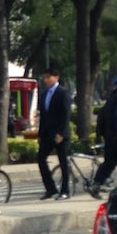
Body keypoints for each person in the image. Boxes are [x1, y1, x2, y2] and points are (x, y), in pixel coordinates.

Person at [37, 67, 72, 200]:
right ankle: (51, 189)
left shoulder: (63, 92)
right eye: (45, 77)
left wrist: (61, 133)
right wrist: (40, 134)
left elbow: (66, 114)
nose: (46, 80)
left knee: (63, 162)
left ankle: (65, 190)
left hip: (60, 134)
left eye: (48, 77)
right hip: (47, 134)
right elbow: (43, 116)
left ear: (56, 77)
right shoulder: (45, 94)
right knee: (40, 159)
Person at [89, 75, 117, 198]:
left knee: (109, 163)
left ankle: (96, 184)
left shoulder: (110, 99)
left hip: (110, 138)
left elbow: (101, 118)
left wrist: (100, 134)